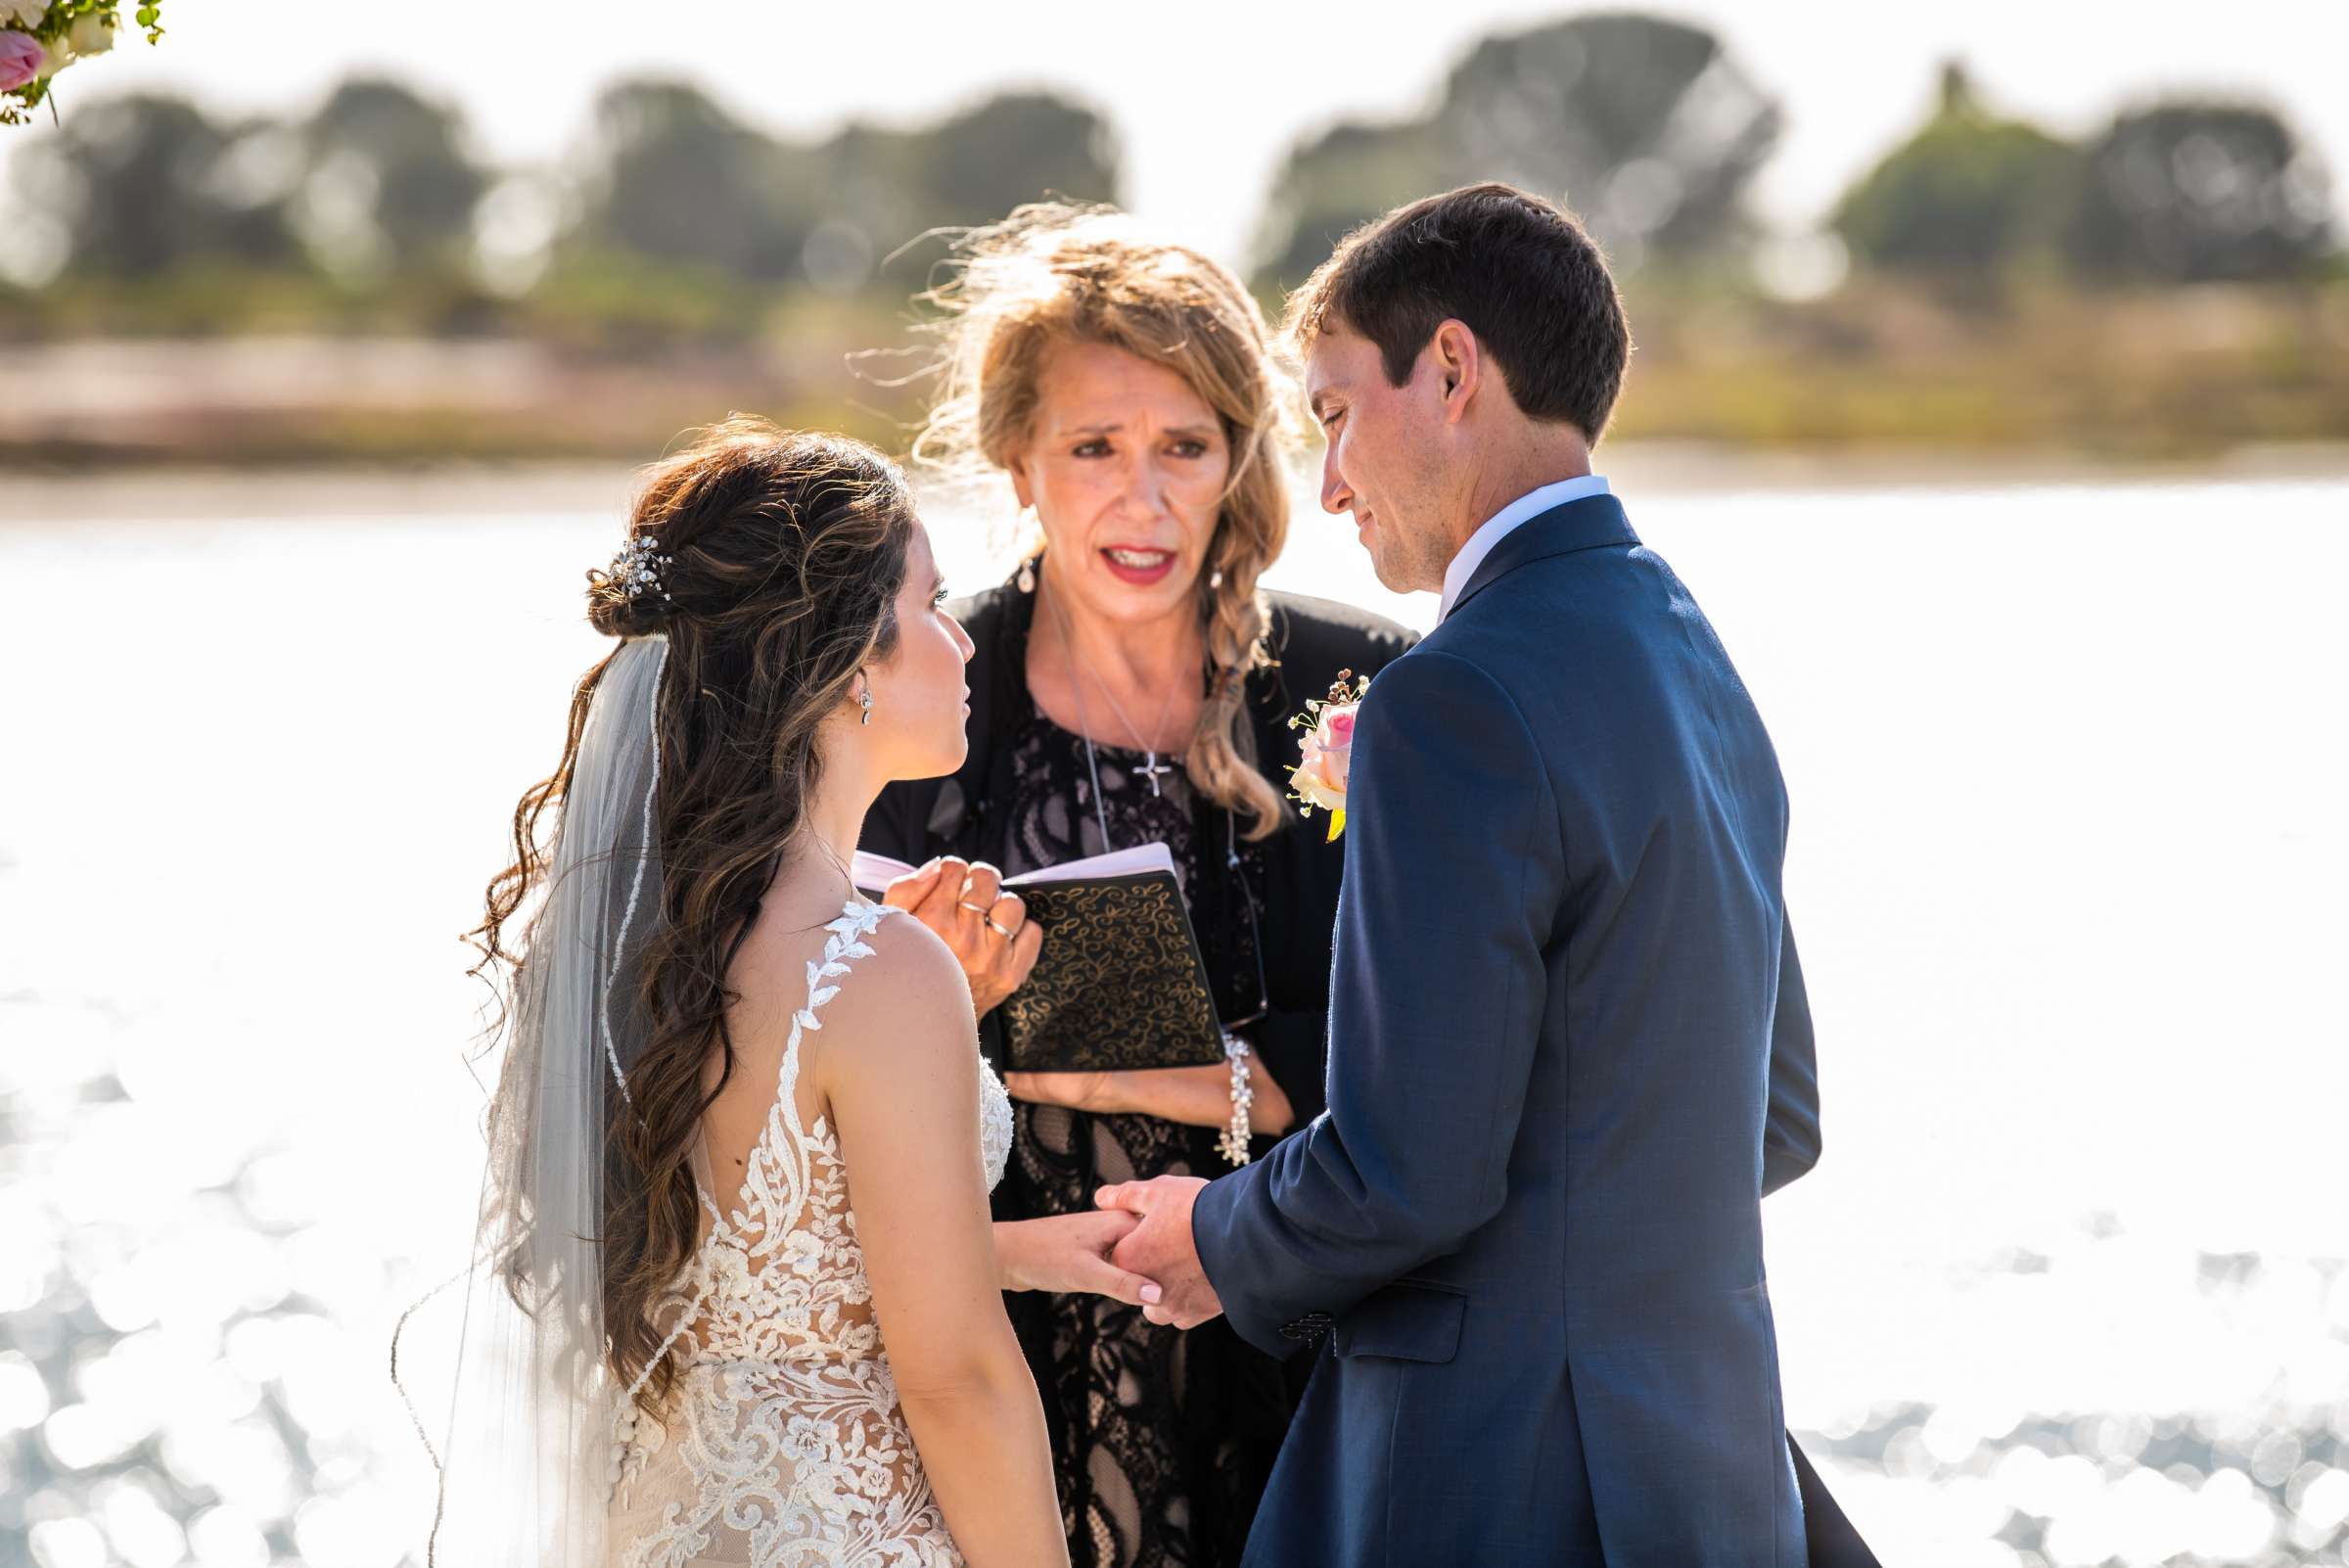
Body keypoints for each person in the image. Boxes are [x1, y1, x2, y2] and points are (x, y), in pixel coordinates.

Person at [1098, 183, 1846, 1565]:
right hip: (1711, 1470)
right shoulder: (1694, 655)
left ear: (1450, 369)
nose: (1325, 483)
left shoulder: (1453, 697)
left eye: (1330, 413)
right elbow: (1776, 1113)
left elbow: (1410, 1169)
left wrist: (1219, 1225)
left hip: (1492, 1483)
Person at [406, 421, 1162, 1568]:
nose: (964, 643)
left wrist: (1010, 1248)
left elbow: (740, 1270)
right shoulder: (880, 972)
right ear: (852, 661)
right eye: (933, 607)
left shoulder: (625, 946)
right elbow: (955, 1377)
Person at [859, 206, 1414, 1568]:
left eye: (1185, 446)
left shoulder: (1370, 692)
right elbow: (822, 1085)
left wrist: (1209, 1076)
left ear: (1239, 456)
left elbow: (1464, 1053)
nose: (1145, 498)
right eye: (1093, 448)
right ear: (1017, 462)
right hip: (995, 1367)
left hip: (1308, 1363)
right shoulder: (920, 712)